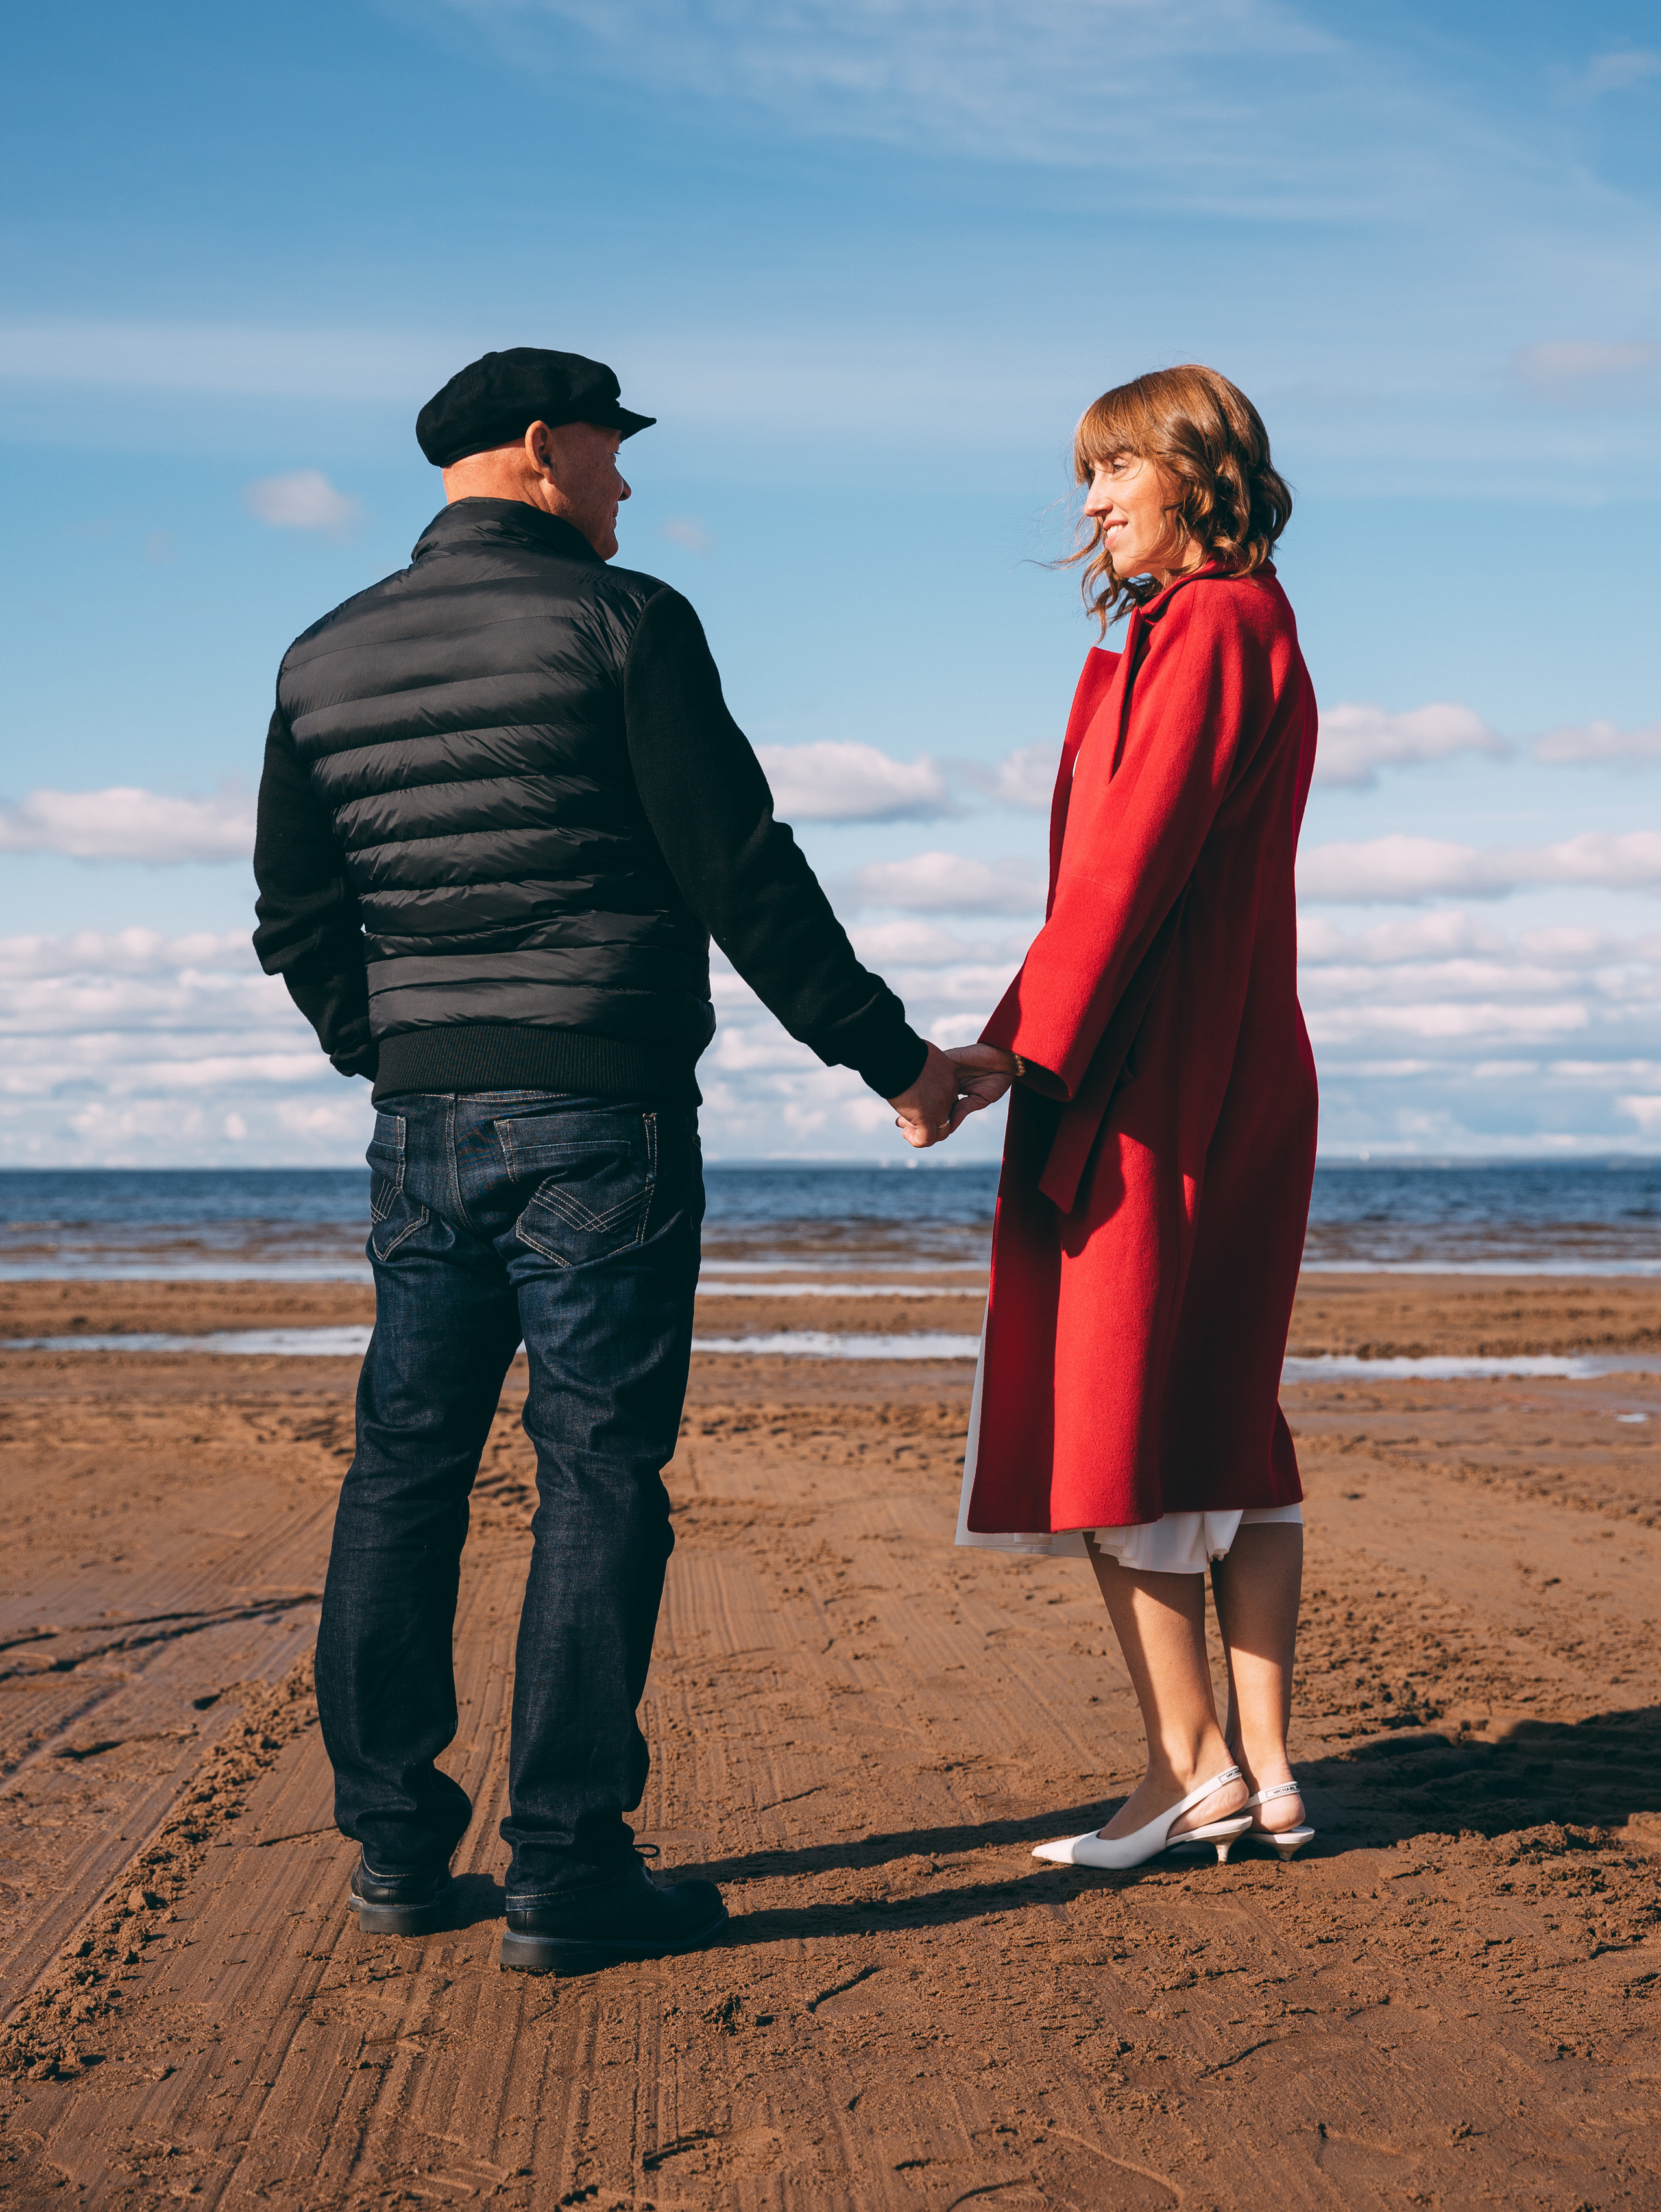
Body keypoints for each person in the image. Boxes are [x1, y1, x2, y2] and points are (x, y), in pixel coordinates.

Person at [252, 346, 960, 1972]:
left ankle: (392, 1848)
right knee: (596, 1471)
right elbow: (740, 868)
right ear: (535, 447)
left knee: (405, 1467)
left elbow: (296, 920)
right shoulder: (622, 622)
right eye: (609, 452)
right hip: (602, 1118)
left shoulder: (320, 653)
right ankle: (567, 1870)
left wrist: (402, 1053)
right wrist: (895, 1065)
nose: (625, 484)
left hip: (419, 1127)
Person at [945, 364, 1318, 1872]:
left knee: (1120, 1423)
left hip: (1155, 1077)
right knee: (1224, 1417)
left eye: (1111, 471)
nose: (1090, 504)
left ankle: (1186, 1773)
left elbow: (1120, 876)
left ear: (1192, 473)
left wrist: (1001, 1059)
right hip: (1220, 1063)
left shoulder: (1211, 628)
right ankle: (1265, 1772)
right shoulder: (1236, 627)